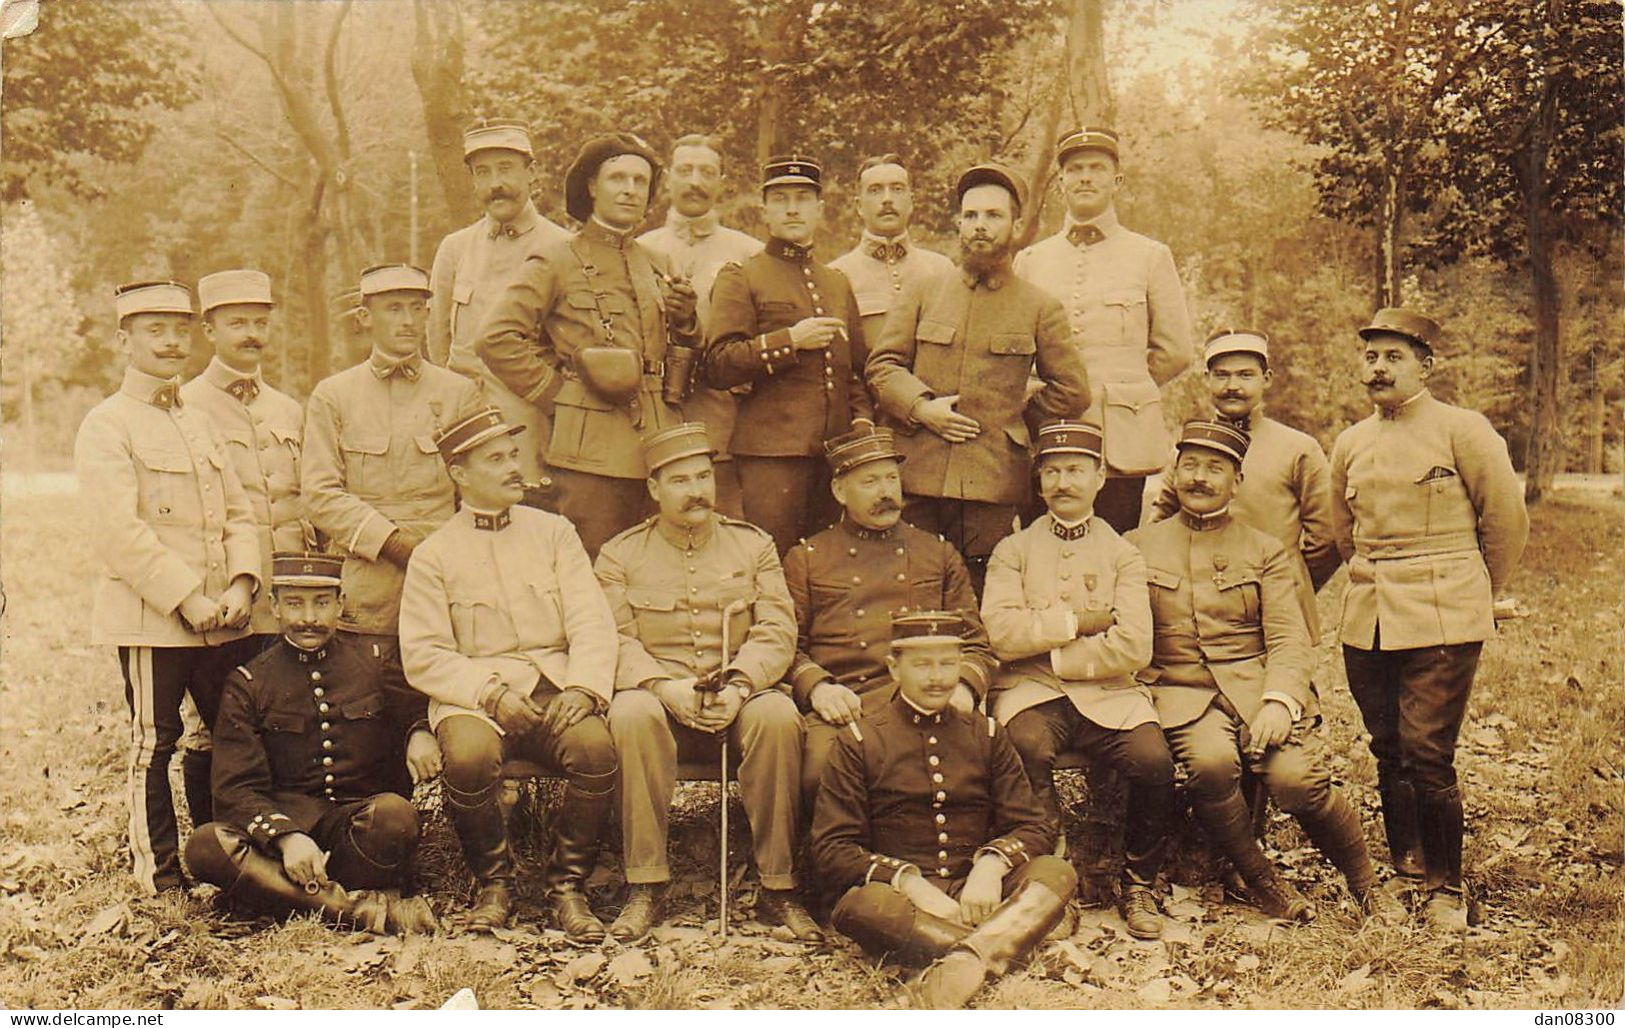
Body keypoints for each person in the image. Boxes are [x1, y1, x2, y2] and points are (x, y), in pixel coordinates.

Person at [1127, 421, 1405, 922]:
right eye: (1189, 465)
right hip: (1179, 690)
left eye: (1216, 469)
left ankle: (1366, 885)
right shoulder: (1136, 546)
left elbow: (1288, 637)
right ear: (1173, 474)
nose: (1200, 478)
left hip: (1257, 688)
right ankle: (1262, 880)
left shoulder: (1266, 550)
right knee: (1211, 765)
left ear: (1237, 482)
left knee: (1295, 779)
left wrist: (1279, 700)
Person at [1329, 307, 1529, 929]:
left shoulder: (1463, 431)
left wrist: (1469, 593)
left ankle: (1447, 886)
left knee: (1426, 750)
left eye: (1394, 357)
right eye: (1371, 357)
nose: (1380, 368)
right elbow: (1345, 536)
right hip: (1369, 616)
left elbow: (1505, 524)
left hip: (1445, 614)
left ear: (1426, 366)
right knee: (1388, 747)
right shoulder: (1351, 442)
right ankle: (1406, 867)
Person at [398, 408, 621, 939]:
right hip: (474, 695)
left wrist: (585, 687)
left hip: (553, 685)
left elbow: (592, 619)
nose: (512, 468)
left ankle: (568, 887)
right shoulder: (435, 554)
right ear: (460, 473)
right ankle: (493, 884)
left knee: (595, 751)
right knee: (470, 757)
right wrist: (489, 693)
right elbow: (424, 653)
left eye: (513, 455)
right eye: (495, 459)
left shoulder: (555, 533)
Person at [595, 424, 821, 943]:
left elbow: (776, 629)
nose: (696, 490)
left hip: (737, 698)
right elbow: (615, 640)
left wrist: (741, 686)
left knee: (778, 715)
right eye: (679, 480)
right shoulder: (620, 555)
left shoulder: (753, 545)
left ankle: (778, 887)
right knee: (630, 714)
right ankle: (645, 883)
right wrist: (662, 687)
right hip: (659, 699)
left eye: (703, 476)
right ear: (653, 489)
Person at [74, 279, 263, 894]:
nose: (171, 341)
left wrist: (241, 582)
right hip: (152, 617)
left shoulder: (199, 420)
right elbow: (116, 532)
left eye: (180, 329)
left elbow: (238, 511)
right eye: (155, 330)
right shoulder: (108, 424)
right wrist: (188, 597)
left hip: (222, 619)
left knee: (230, 742)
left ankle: (229, 860)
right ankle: (158, 872)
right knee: (155, 745)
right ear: (123, 340)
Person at [812, 611, 1077, 1009]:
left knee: (1057, 871)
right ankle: (1004, 943)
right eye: (922, 664)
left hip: (978, 890)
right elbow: (832, 849)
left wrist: (990, 866)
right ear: (893, 668)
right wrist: (909, 883)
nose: (937, 677)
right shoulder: (861, 740)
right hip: (907, 902)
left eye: (948, 663)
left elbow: (1033, 824)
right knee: (863, 907)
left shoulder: (985, 733)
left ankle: (962, 960)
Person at [979, 421, 1176, 940]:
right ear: (1038, 481)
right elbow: (1000, 633)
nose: (1063, 482)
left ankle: (1138, 881)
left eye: (1075, 471)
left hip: (1110, 694)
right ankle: (1050, 883)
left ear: (1100, 476)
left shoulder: (1122, 553)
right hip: (1031, 692)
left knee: (1155, 760)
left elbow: (1135, 646)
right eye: (1052, 472)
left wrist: (1048, 647)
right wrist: (1078, 623)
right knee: (1024, 746)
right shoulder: (1013, 551)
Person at [185, 552, 438, 935]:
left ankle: (281, 896)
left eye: (321, 603)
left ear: (341, 604)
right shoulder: (249, 682)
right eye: (294, 603)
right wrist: (285, 837)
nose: (309, 618)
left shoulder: (371, 663)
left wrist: (419, 731)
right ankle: (356, 911)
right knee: (205, 846)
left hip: (356, 835)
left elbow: (412, 709)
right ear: (274, 607)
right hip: (279, 841)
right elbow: (235, 787)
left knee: (396, 817)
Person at [867, 163, 1089, 592]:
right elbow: (883, 366)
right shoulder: (923, 291)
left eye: (993, 216)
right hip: (916, 474)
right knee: (910, 588)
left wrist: (1013, 421)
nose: (980, 227)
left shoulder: (1039, 306)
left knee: (979, 594)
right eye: (971, 216)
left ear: (1017, 225)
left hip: (991, 482)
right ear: (959, 223)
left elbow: (1072, 391)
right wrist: (921, 408)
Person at [476, 132, 698, 556]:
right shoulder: (557, 259)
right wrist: (559, 397)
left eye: (640, 181)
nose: (630, 190)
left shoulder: (657, 263)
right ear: (593, 187)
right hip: (590, 453)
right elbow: (495, 338)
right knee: (594, 568)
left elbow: (672, 349)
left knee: (653, 567)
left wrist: (686, 321)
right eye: (618, 178)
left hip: (659, 445)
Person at [782, 424, 995, 807]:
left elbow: (977, 645)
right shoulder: (808, 559)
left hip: (928, 696)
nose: (885, 492)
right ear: (839, 490)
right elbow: (788, 648)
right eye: (870, 482)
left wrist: (962, 689)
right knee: (820, 772)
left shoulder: (937, 553)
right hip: (848, 699)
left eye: (891, 479)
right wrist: (818, 688)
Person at [302, 264, 483, 699]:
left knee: (441, 714)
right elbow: (320, 496)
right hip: (367, 589)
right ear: (365, 318)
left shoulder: (460, 393)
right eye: (393, 309)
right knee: (364, 714)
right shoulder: (334, 395)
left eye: (417, 309)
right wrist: (395, 543)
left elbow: (478, 489)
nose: (407, 320)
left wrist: (448, 556)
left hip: (444, 582)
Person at [175, 269, 309, 825]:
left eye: (260, 321)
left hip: (288, 591)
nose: (251, 334)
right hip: (224, 591)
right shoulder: (185, 405)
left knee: (279, 714)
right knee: (216, 722)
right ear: (209, 329)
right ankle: (216, 838)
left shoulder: (288, 407)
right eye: (236, 323)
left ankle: (279, 828)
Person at [1013, 127, 1193, 533]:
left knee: (1114, 548)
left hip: (1118, 442)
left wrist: (1125, 388)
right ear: (1061, 183)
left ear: (1117, 181)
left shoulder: (1149, 256)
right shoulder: (1030, 260)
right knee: (1042, 546)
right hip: (1047, 433)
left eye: (1097, 168)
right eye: (1074, 169)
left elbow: (1176, 350)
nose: (1085, 178)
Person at [702, 154, 873, 555]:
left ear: (820, 209)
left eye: (802, 198)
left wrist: (862, 421)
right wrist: (789, 341)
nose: (792, 208)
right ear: (765, 210)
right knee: (773, 561)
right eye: (780, 199)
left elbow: (856, 371)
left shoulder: (836, 281)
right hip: (770, 454)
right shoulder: (742, 274)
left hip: (835, 454)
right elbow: (718, 364)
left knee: (830, 562)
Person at [1149, 328, 1339, 640]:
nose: (1232, 386)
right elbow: (1162, 523)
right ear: (1207, 379)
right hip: (1199, 602)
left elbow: (1326, 536)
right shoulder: (1188, 448)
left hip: (1275, 601)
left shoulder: (1298, 448)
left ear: (1267, 379)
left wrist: (1290, 580)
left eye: (1245, 375)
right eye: (1221, 375)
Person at [428, 118, 570, 483]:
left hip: (531, 430)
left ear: (531, 173)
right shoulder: (455, 249)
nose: (496, 184)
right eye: (483, 172)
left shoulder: (563, 247)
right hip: (464, 425)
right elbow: (438, 341)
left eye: (506, 169)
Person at [638, 133, 763, 517]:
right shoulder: (640, 249)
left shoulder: (748, 254)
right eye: (685, 171)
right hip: (654, 414)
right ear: (669, 179)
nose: (695, 182)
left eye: (707, 172)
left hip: (722, 420)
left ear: (722, 182)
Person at [829, 154, 955, 342]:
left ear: (911, 202)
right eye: (875, 190)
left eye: (897, 189)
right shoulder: (837, 275)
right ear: (859, 206)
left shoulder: (942, 270)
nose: (887, 199)